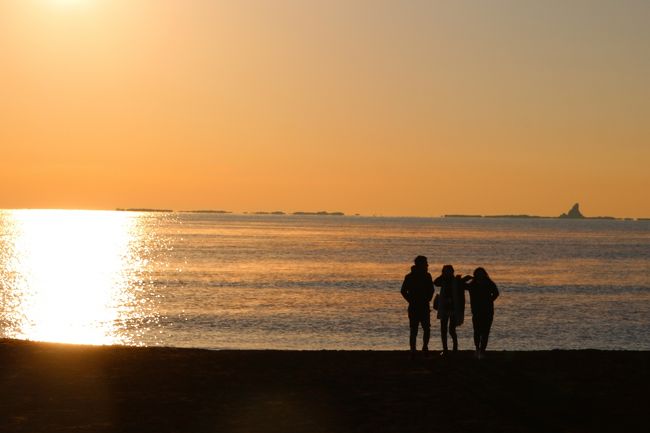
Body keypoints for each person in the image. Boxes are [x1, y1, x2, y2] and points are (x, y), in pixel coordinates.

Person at [400, 256, 434, 358]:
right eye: (425, 264)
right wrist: (410, 300)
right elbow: (403, 291)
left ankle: (424, 347)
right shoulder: (409, 276)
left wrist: (428, 299)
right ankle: (413, 349)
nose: (427, 265)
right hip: (415, 306)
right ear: (420, 265)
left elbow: (431, 290)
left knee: (425, 328)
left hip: (423, 305)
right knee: (414, 329)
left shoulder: (427, 276)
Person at [433, 265, 470, 354]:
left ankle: (455, 347)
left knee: (451, 329)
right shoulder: (443, 280)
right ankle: (445, 349)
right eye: (445, 271)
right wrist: (443, 276)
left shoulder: (457, 281)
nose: (447, 273)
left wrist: (465, 280)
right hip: (444, 308)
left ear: (452, 272)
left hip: (454, 308)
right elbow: (435, 282)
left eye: (449, 271)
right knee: (443, 328)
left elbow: (467, 286)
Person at [465, 267, 499, 359]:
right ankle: (477, 349)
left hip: (488, 311)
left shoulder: (489, 283)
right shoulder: (472, 284)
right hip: (476, 311)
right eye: (477, 273)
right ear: (475, 275)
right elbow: (461, 285)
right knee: (477, 331)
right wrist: (465, 278)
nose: (479, 275)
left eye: (481, 273)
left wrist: (489, 301)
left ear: (484, 274)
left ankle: (482, 350)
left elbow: (496, 293)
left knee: (485, 332)